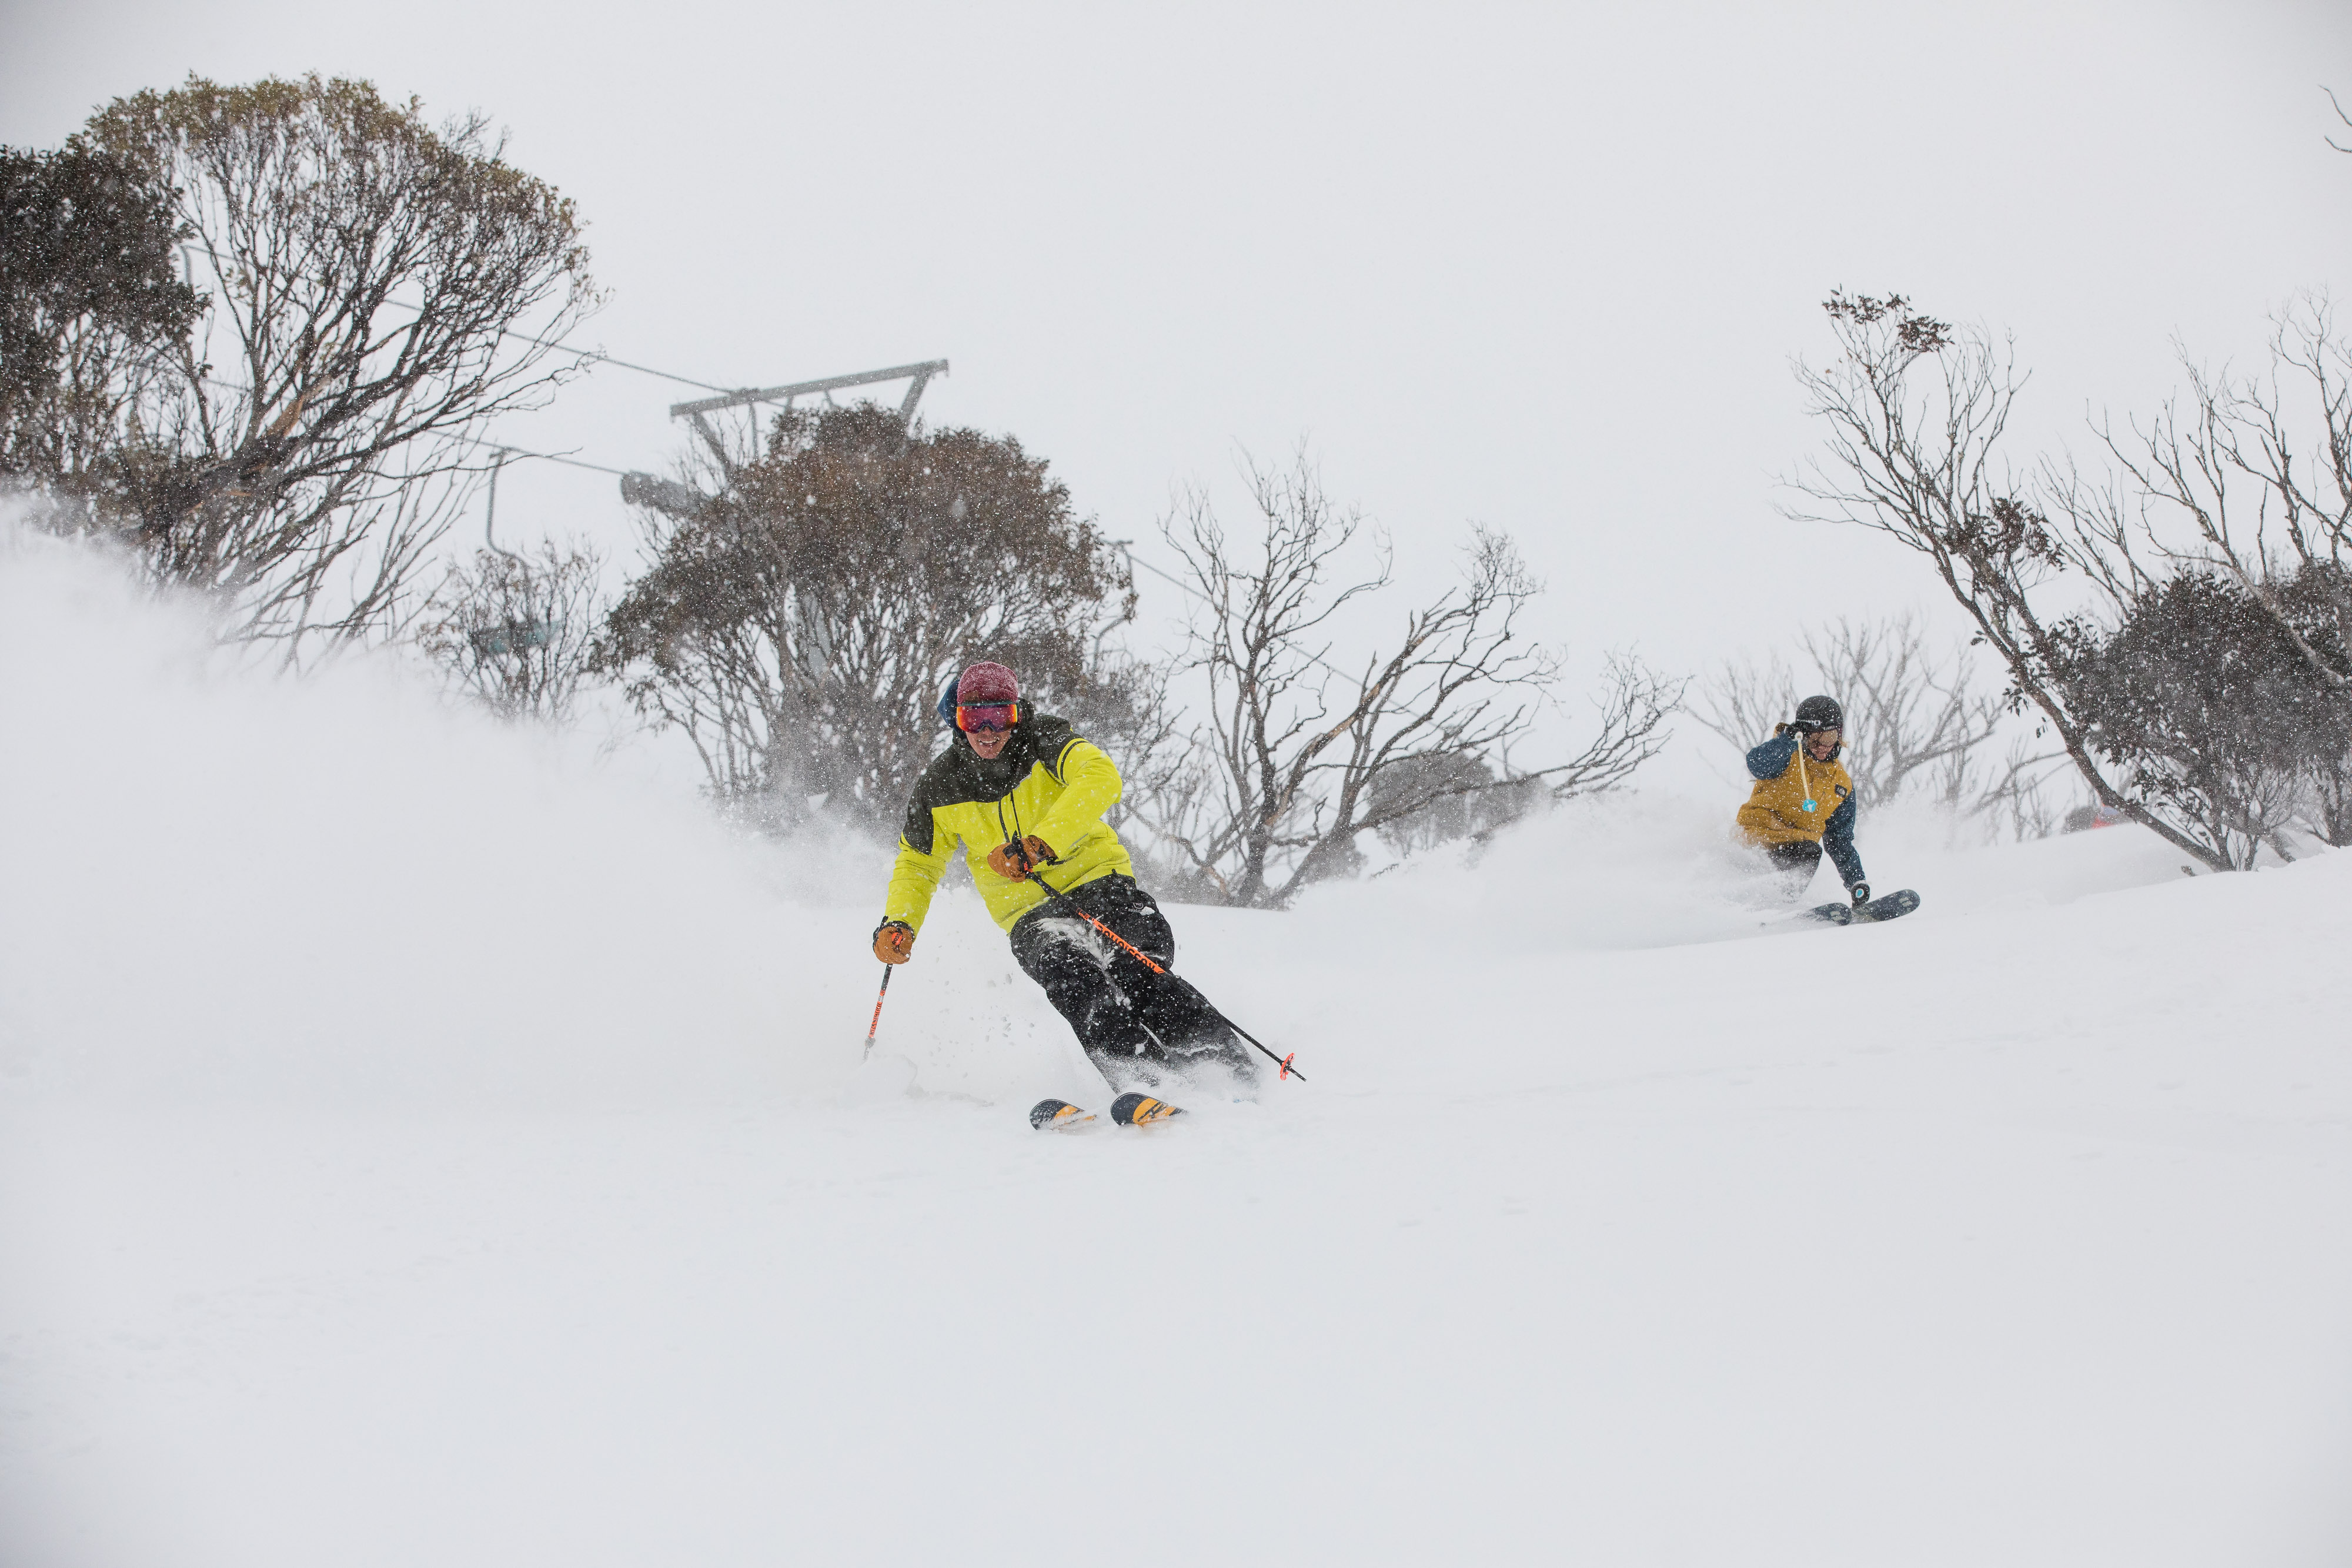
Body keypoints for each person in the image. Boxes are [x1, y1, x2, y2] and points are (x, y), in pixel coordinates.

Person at [870, 660, 1255, 1092]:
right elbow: (918, 863)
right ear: (957, 721)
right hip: (1030, 913)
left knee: (1136, 969)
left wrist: (1041, 842)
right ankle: (1146, 1083)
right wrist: (899, 921)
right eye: (973, 718)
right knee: (1080, 987)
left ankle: (1224, 1067)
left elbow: (1100, 776)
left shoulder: (1046, 740)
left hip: (1101, 883)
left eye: (1001, 715)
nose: (988, 730)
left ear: (1017, 713)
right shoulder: (939, 786)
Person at [1735, 694, 1872, 908]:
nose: (1821, 746)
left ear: (1839, 736)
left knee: (1808, 852)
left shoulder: (1841, 786)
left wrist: (1856, 880)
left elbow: (1840, 842)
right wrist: (1787, 739)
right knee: (1806, 852)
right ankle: (1763, 906)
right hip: (1756, 840)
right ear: (1803, 735)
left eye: (1828, 738)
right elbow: (1757, 764)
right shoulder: (1787, 755)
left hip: (1795, 848)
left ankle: (1778, 907)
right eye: (1814, 739)